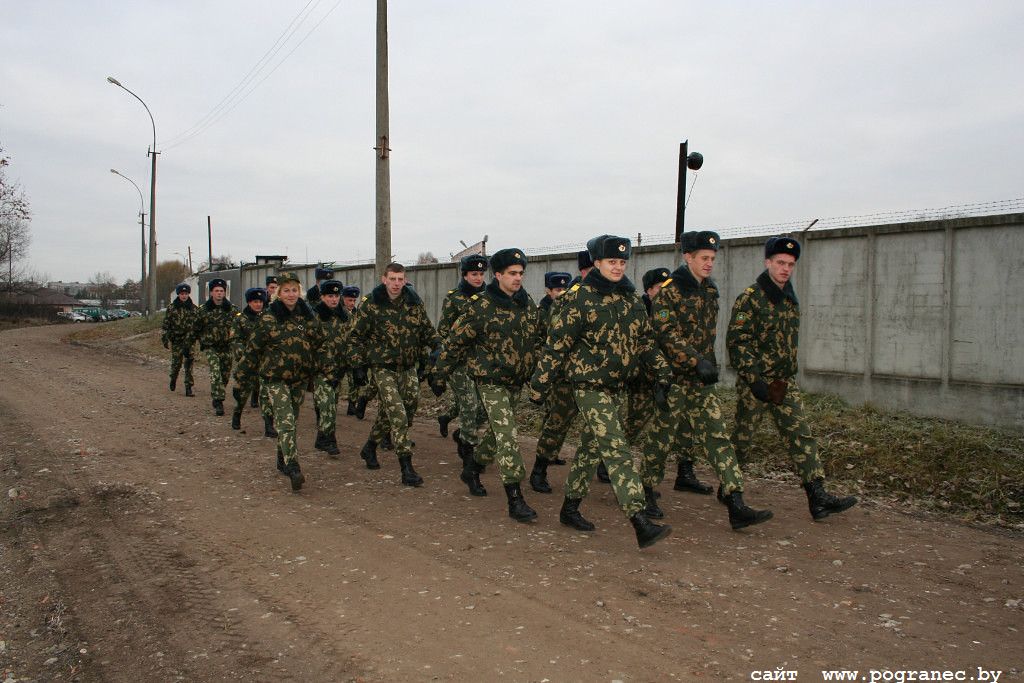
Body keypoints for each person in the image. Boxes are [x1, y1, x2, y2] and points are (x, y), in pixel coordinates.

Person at [529, 235, 673, 549]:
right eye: (612, 262)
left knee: (590, 449)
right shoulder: (579, 298)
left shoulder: (631, 299)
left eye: (622, 262)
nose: (618, 267)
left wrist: (663, 372)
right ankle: (639, 519)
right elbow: (557, 345)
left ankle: (570, 508)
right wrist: (539, 385)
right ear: (597, 263)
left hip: (616, 386)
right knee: (616, 447)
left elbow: (645, 341)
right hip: (588, 386)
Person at [641, 231, 773, 530]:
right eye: (704, 258)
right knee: (661, 439)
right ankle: (646, 489)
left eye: (713, 258)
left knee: (717, 437)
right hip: (674, 379)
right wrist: (694, 360)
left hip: (701, 380)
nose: (709, 263)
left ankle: (735, 501)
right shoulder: (670, 291)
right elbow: (664, 333)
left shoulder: (710, 289)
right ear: (688, 257)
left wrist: (706, 363)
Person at [727, 236, 857, 521]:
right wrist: (754, 380)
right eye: (780, 263)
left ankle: (817, 496)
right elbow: (737, 343)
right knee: (742, 442)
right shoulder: (750, 298)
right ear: (768, 262)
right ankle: (731, 492)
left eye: (790, 264)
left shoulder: (789, 297)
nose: (786, 269)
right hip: (756, 384)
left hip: (783, 383)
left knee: (800, 436)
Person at [434, 249, 542, 521]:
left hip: (515, 380)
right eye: (512, 273)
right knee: (507, 435)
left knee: (496, 434)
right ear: (498, 275)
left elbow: (537, 339)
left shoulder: (526, 302)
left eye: (521, 273)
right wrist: (438, 373)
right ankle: (515, 498)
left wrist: (539, 376)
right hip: (490, 380)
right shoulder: (481, 306)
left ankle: (472, 468)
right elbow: (455, 342)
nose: (518, 278)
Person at [349, 263, 440, 486]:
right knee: (398, 414)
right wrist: (358, 365)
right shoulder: (372, 304)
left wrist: (437, 346)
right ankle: (406, 468)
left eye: (400, 279)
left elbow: (427, 330)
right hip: (383, 368)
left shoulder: (413, 303)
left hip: (407, 367)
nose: (396, 283)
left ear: (405, 280)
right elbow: (355, 337)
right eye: (392, 279)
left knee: (404, 409)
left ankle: (370, 446)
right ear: (384, 279)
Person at [235, 271, 325, 491]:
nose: (291, 294)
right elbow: (253, 350)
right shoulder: (269, 318)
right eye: (286, 290)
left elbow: (319, 342)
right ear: (278, 293)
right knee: (285, 421)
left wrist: (320, 368)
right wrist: (241, 378)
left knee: (292, 419)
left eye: (294, 290)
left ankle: (281, 456)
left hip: (299, 378)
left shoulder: (308, 315)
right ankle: (293, 467)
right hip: (275, 379)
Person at [636, 266, 712, 495]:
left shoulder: (676, 307)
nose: (665, 291)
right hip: (645, 378)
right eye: (660, 287)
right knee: (637, 422)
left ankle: (685, 473)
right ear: (649, 291)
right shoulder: (639, 310)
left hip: (675, 376)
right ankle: (608, 462)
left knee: (684, 425)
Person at [530, 251, 594, 484]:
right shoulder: (569, 300)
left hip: (596, 377)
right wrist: (543, 378)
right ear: (584, 271)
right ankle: (540, 467)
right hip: (567, 375)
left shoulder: (611, 296)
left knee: (599, 429)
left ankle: (602, 470)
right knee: (557, 423)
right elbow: (554, 341)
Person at [435, 254, 487, 452]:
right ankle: (468, 447)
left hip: (482, 361)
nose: (478, 278)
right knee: (469, 403)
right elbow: (443, 331)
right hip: (458, 361)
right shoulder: (454, 298)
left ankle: (457, 426)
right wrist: (442, 364)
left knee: (484, 407)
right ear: (465, 275)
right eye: (474, 274)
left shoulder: (490, 297)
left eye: (481, 274)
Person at [312, 279, 350, 457]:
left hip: (339, 369)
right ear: (322, 297)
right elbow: (312, 345)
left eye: (336, 296)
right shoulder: (315, 317)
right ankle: (329, 439)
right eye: (330, 296)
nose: (334, 299)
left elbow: (351, 339)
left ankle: (321, 437)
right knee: (327, 404)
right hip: (321, 369)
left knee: (332, 405)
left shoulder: (344, 316)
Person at [229, 287, 272, 431]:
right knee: (243, 393)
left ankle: (268, 424)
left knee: (266, 393)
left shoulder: (268, 318)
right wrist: (244, 355)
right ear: (249, 302)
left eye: (260, 301)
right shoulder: (240, 319)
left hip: (265, 361)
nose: (258, 304)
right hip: (248, 361)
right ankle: (237, 413)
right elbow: (235, 339)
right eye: (255, 301)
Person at [194, 278, 237, 416]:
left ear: (225, 292)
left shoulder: (232, 309)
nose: (219, 293)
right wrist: (190, 345)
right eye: (216, 291)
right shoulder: (203, 310)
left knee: (225, 374)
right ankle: (218, 400)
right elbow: (195, 328)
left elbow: (238, 328)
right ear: (211, 293)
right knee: (215, 371)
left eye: (222, 291)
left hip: (226, 346)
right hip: (210, 346)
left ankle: (219, 393)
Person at [162, 283, 198, 397]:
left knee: (189, 364)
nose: (184, 296)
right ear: (178, 294)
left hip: (189, 341)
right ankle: (173, 378)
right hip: (177, 340)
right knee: (176, 363)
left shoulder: (194, 308)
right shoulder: (172, 308)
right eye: (182, 294)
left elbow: (197, 325)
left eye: (186, 293)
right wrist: (165, 338)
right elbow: (166, 324)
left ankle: (188, 387)